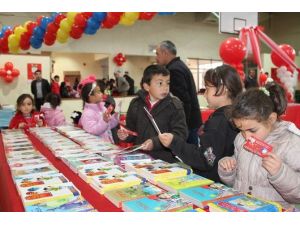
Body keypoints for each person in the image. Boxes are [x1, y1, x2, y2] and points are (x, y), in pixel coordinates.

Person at [218, 81, 300, 209]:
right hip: (242, 207)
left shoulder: (290, 143)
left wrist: (280, 173)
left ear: (271, 119)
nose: (246, 136)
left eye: (252, 130)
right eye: (241, 129)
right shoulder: (240, 139)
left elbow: (297, 195)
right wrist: (228, 168)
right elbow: (236, 180)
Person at [158, 65, 243, 182]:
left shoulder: (218, 123)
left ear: (223, 89)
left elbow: (205, 160)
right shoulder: (234, 115)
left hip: (212, 182)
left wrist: (175, 143)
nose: (204, 94)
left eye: (208, 89)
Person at [117, 65, 188, 163]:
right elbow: (132, 131)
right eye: (160, 83)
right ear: (147, 86)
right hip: (140, 159)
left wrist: (155, 143)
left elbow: (181, 134)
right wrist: (126, 135)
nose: (165, 88)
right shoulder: (136, 104)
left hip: (165, 161)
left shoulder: (175, 106)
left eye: (167, 83)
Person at [156, 40, 202, 145]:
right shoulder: (179, 65)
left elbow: (182, 101)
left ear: (165, 53)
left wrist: (181, 125)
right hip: (189, 122)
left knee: (188, 156)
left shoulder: (174, 70)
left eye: (157, 54)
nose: (156, 57)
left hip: (187, 123)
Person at [78, 75, 119, 142]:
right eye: (98, 92)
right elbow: (94, 130)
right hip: (97, 148)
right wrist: (104, 121)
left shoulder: (102, 108)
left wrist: (115, 118)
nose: (102, 94)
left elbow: (108, 126)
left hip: (107, 144)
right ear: (90, 96)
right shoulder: (87, 114)